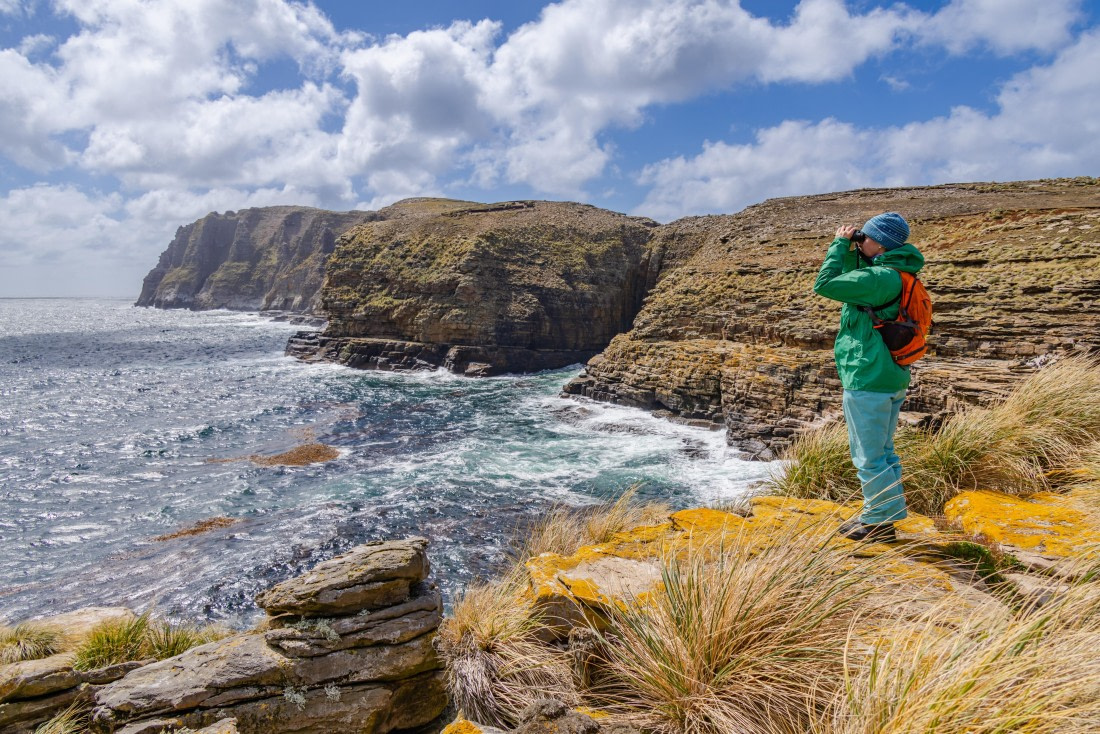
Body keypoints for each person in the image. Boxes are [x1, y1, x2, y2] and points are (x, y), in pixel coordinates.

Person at [813, 212, 925, 542]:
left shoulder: (880, 278)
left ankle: (878, 525)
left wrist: (838, 244)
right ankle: (882, 516)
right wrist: (854, 252)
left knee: (868, 456)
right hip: (889, 375)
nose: (861, 240)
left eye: (867, 237)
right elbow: (853, 287)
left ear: (879, 242)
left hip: (868, 377)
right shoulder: (895, 273)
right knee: (884, 452)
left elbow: (825, 285)